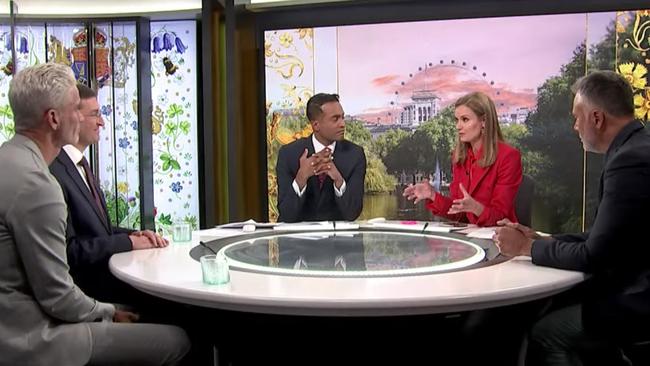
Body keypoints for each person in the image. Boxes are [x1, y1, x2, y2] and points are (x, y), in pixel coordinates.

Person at [0, 63, 189, 366]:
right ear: (53, 118)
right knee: (177, 340)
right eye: (77, 108)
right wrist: (109, 311)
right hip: (30, 338)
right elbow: (59, 298)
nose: (88, 118)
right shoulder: (38, 184)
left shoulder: (8, 158)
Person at [494, 70, 650, 366]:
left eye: (577, 117)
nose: (575, 126)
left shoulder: (629, 162)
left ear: (597, 118)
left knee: (547, 333)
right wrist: (546, 239)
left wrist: (526, 248)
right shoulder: (637, 147)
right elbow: (606, 236)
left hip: (639, 300)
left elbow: (595, 254)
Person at [50, 84, 167, 305]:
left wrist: (137, 235)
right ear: (73, 117)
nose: (102, 122)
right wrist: (128, 243)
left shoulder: (80, 165)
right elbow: (70, 250)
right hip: (92, 293)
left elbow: (98, 231)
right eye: (94, 114)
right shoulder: (55, 171)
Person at [403, 91, 522, 226]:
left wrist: (475, 208)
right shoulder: (459, 157)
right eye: (457, 120)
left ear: (484, 121)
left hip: (500, 238)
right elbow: (458, 212)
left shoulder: (508, 157)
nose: (458, 126)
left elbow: (501, 218)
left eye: (465, 119)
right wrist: (432, 195)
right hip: (472, 237)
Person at [276, 93, 366, 222]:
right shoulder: (289, 154)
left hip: (339, 240)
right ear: (316, 125)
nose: (342, 124)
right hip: (297, 239)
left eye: (342, 117)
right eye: (335, 119)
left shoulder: (355, 155)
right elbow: (286, 214)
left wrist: (338, 180)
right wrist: (301, 177)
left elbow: (352, 214)